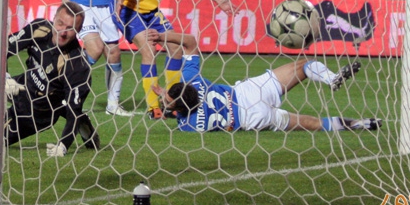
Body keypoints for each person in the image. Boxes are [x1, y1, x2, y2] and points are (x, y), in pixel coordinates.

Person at [0, 1, 98, 156]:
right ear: (54, 18)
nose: (62, 32)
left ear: (78, 30)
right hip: (22, 85)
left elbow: (73, 111)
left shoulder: (77, 66)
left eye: (70, 28)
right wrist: (5, 77)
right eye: (60, 23)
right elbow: (3, 48)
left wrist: (63, 145)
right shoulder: (40, 28)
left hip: (36, 112)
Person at [156, 54, 381, 133]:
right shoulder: (193, 80)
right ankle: (331, 79)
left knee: (313, 124)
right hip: (248, 92)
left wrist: (167, 108)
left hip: (252, 118)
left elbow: (177, 112)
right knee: (303, 65)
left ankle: (361, 124)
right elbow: (191, 44)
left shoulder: (188, 125)